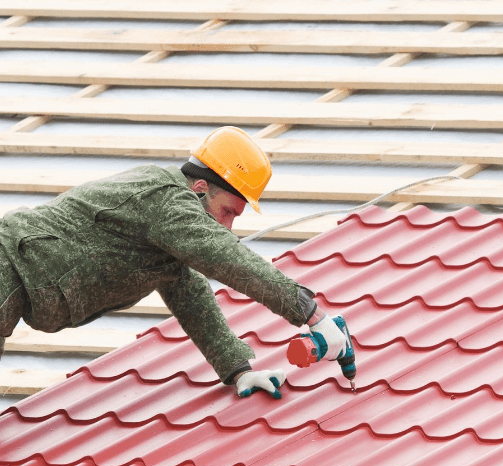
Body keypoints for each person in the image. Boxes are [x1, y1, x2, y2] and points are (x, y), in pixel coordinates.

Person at [0, 126, 346, 398]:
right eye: (227, 211)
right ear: (199, 188)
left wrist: (239, 370)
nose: (226, 226)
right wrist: (310, 313)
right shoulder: (166, 201)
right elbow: (228, 257)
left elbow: (191, 296)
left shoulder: (167, 232)